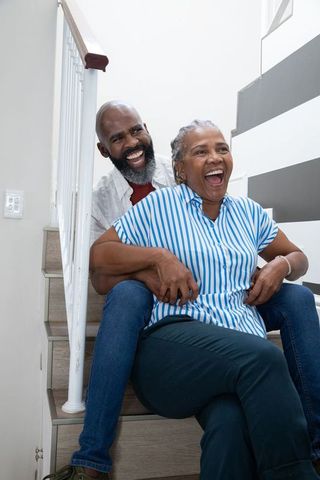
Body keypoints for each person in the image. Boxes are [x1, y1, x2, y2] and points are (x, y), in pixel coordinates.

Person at [44, 104, 320, 479]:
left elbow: (298, 257)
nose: (214, 158)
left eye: (221, 148)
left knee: (230, 425)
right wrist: (158, 259)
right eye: (200, 151)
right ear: (179, 170)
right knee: (266, 360)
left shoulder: (249, 212)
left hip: (234, 346)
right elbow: (98, 257)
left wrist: (282, 265)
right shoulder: (158, 206)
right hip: (176, 346)